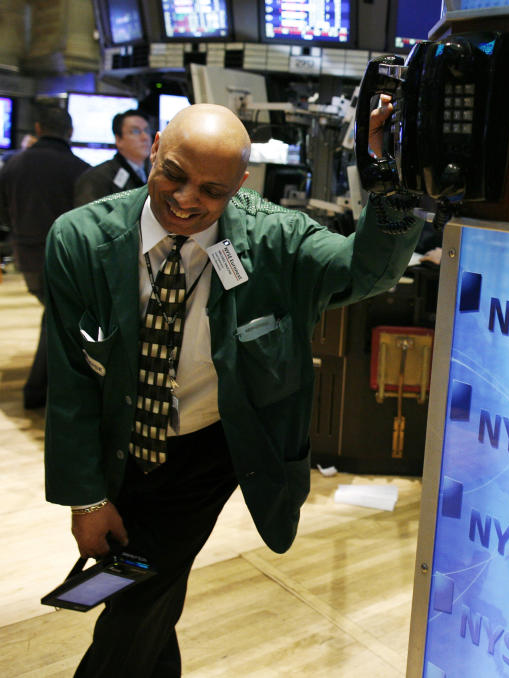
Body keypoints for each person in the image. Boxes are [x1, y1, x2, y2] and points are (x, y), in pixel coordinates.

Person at [43, 102, 421, 677]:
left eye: (213, 190)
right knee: (148, 598)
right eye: (174, 173)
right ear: (153, 148)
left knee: (140, 593)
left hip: (207, 450)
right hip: (119, 445)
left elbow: (365, 273)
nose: (187, 199)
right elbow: (71, 384)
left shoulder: (274, 240)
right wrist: (86, 498)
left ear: (242, 185)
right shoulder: (79, 240)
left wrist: (389, 176)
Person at [0, 105, 89, 409]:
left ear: (38, 128)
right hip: (64, 259)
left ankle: (40, 391)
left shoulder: (13, 165)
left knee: (53, 318)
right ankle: (39, 392)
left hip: (26, 256)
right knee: (56, 322)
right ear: (70, 132)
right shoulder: (81, 170)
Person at [74, 109, 151, 206]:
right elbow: (86, 218)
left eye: (146, 130)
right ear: (118, 140)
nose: (145, 137)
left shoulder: (152, 176)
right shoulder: (97, 178)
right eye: (135, 131)